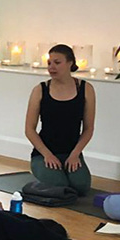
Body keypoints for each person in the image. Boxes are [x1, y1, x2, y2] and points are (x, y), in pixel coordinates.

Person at [25, 44, 95, 195]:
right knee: (61, 186)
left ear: (70, 63)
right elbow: (29, 130)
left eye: (57, 62)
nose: (51, 67)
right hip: (44, 154)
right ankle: (43, 174)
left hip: (71, 153)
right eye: (49, 63)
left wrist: (75, 154)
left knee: (82, 187)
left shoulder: (86, 89)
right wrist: (47, 155)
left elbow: (88, 128)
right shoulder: (40, 90)